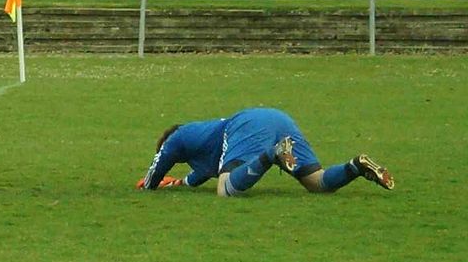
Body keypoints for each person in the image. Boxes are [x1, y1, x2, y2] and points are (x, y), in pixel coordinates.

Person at [136, 107, 394, 196]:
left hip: (249, 124)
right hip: (278, 119)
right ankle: (356, 166)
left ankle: (273, 154)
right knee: (317, 183)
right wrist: (178, 183)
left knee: (225, 189)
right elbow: (198, 176)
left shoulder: (178, 137)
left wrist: (148, 186)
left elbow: (158, 165)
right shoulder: (202, 144)